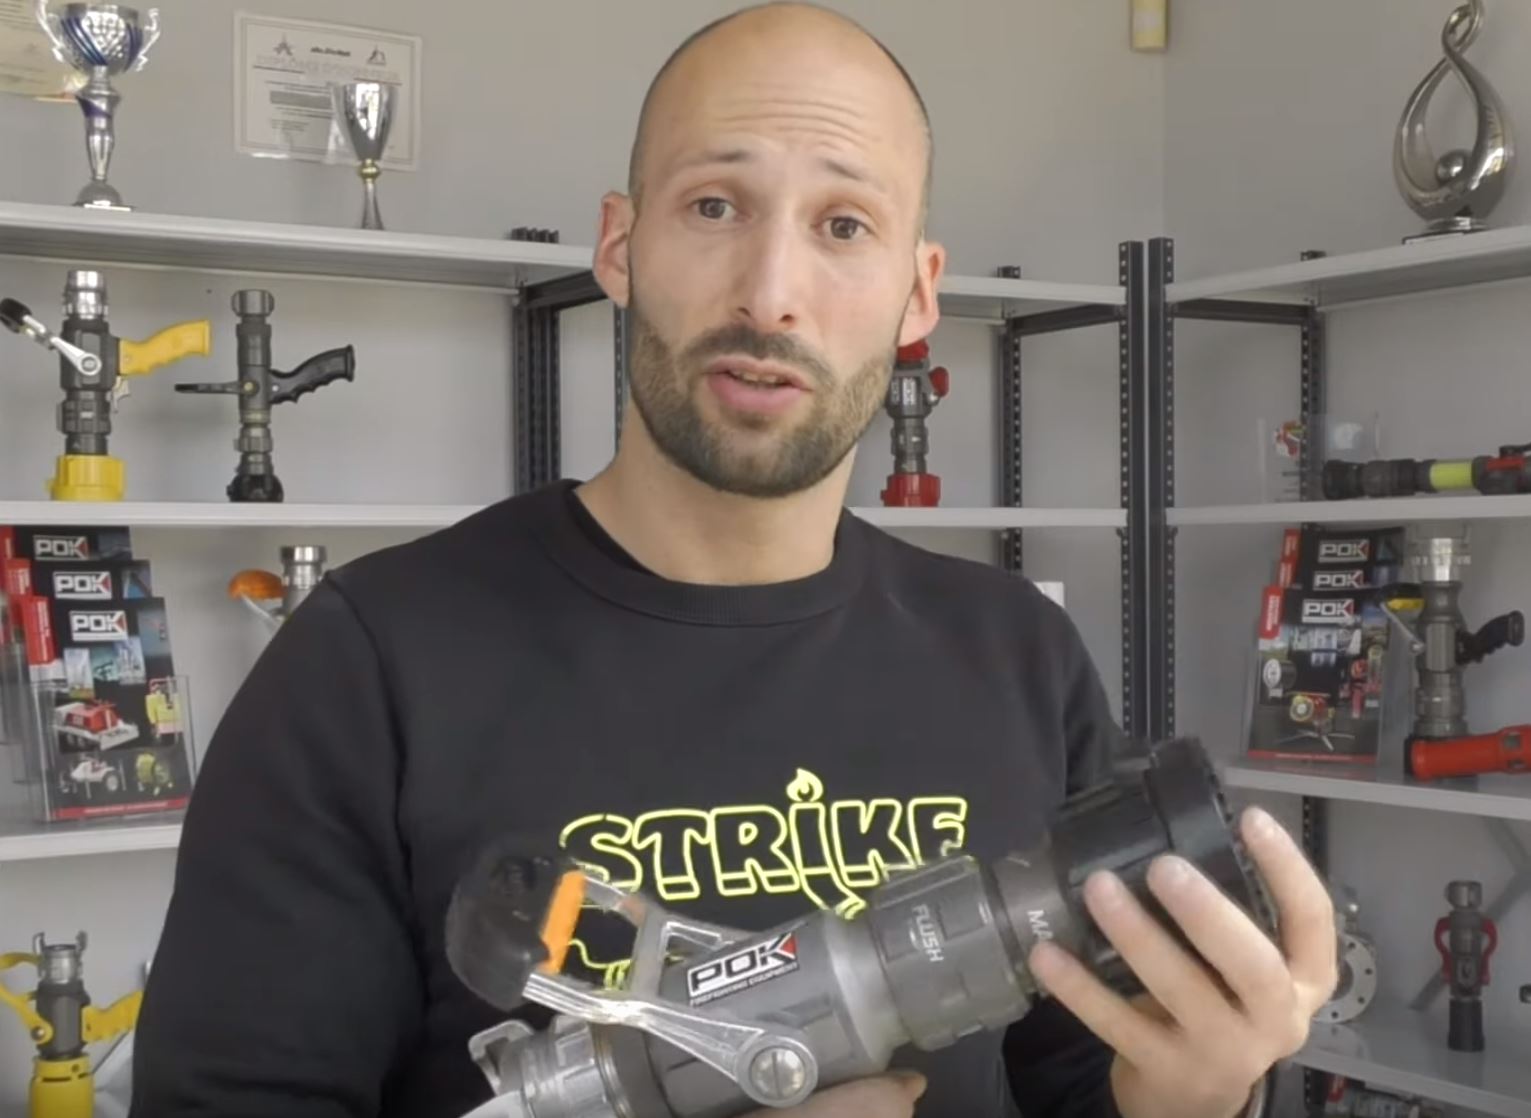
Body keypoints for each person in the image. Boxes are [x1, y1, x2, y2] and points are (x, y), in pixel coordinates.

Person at [129, 4, 1338, 1117]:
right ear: (620, 246)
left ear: (917, 293)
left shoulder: (1018, 651)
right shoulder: (367, 666)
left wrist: (1201, 1094)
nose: (770, 294)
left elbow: (1080, 1084)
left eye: (844, 225)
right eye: (714, 206)